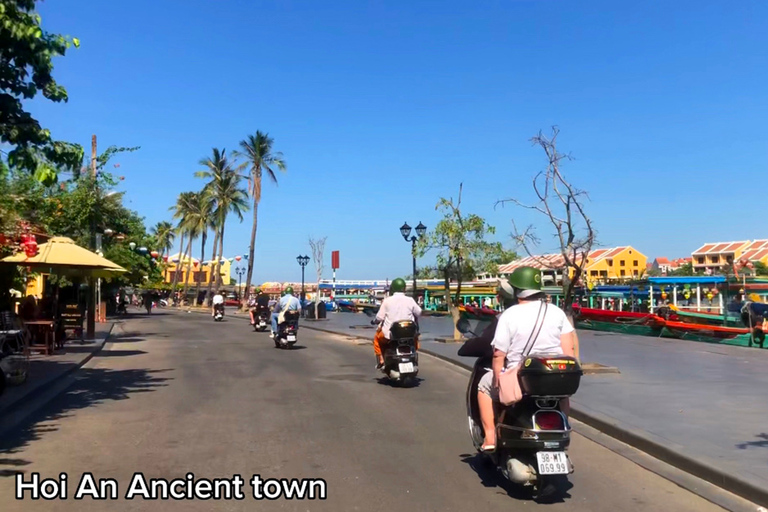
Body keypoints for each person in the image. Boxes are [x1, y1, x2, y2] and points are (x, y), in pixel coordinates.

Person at [476, 266, 578, 452]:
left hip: (521, 376)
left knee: (483, 386)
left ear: (516, 291)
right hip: (554, 374)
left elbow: (499, 355)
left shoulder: (509, 315)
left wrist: (498, 381)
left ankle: (490, 436)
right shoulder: (556, 312)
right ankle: (562, 429)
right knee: (561, 394)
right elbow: (569, 349)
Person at [373, 278, 422, 369]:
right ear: (404, 288)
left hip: (390, 335)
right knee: (415, 339)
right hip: (409, 334)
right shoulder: (410, 300)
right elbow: (419, 312)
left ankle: (381, 360)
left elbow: (379, 317)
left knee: (377, 339)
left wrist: (374, 321)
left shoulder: (387, 301)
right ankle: (413, 355)